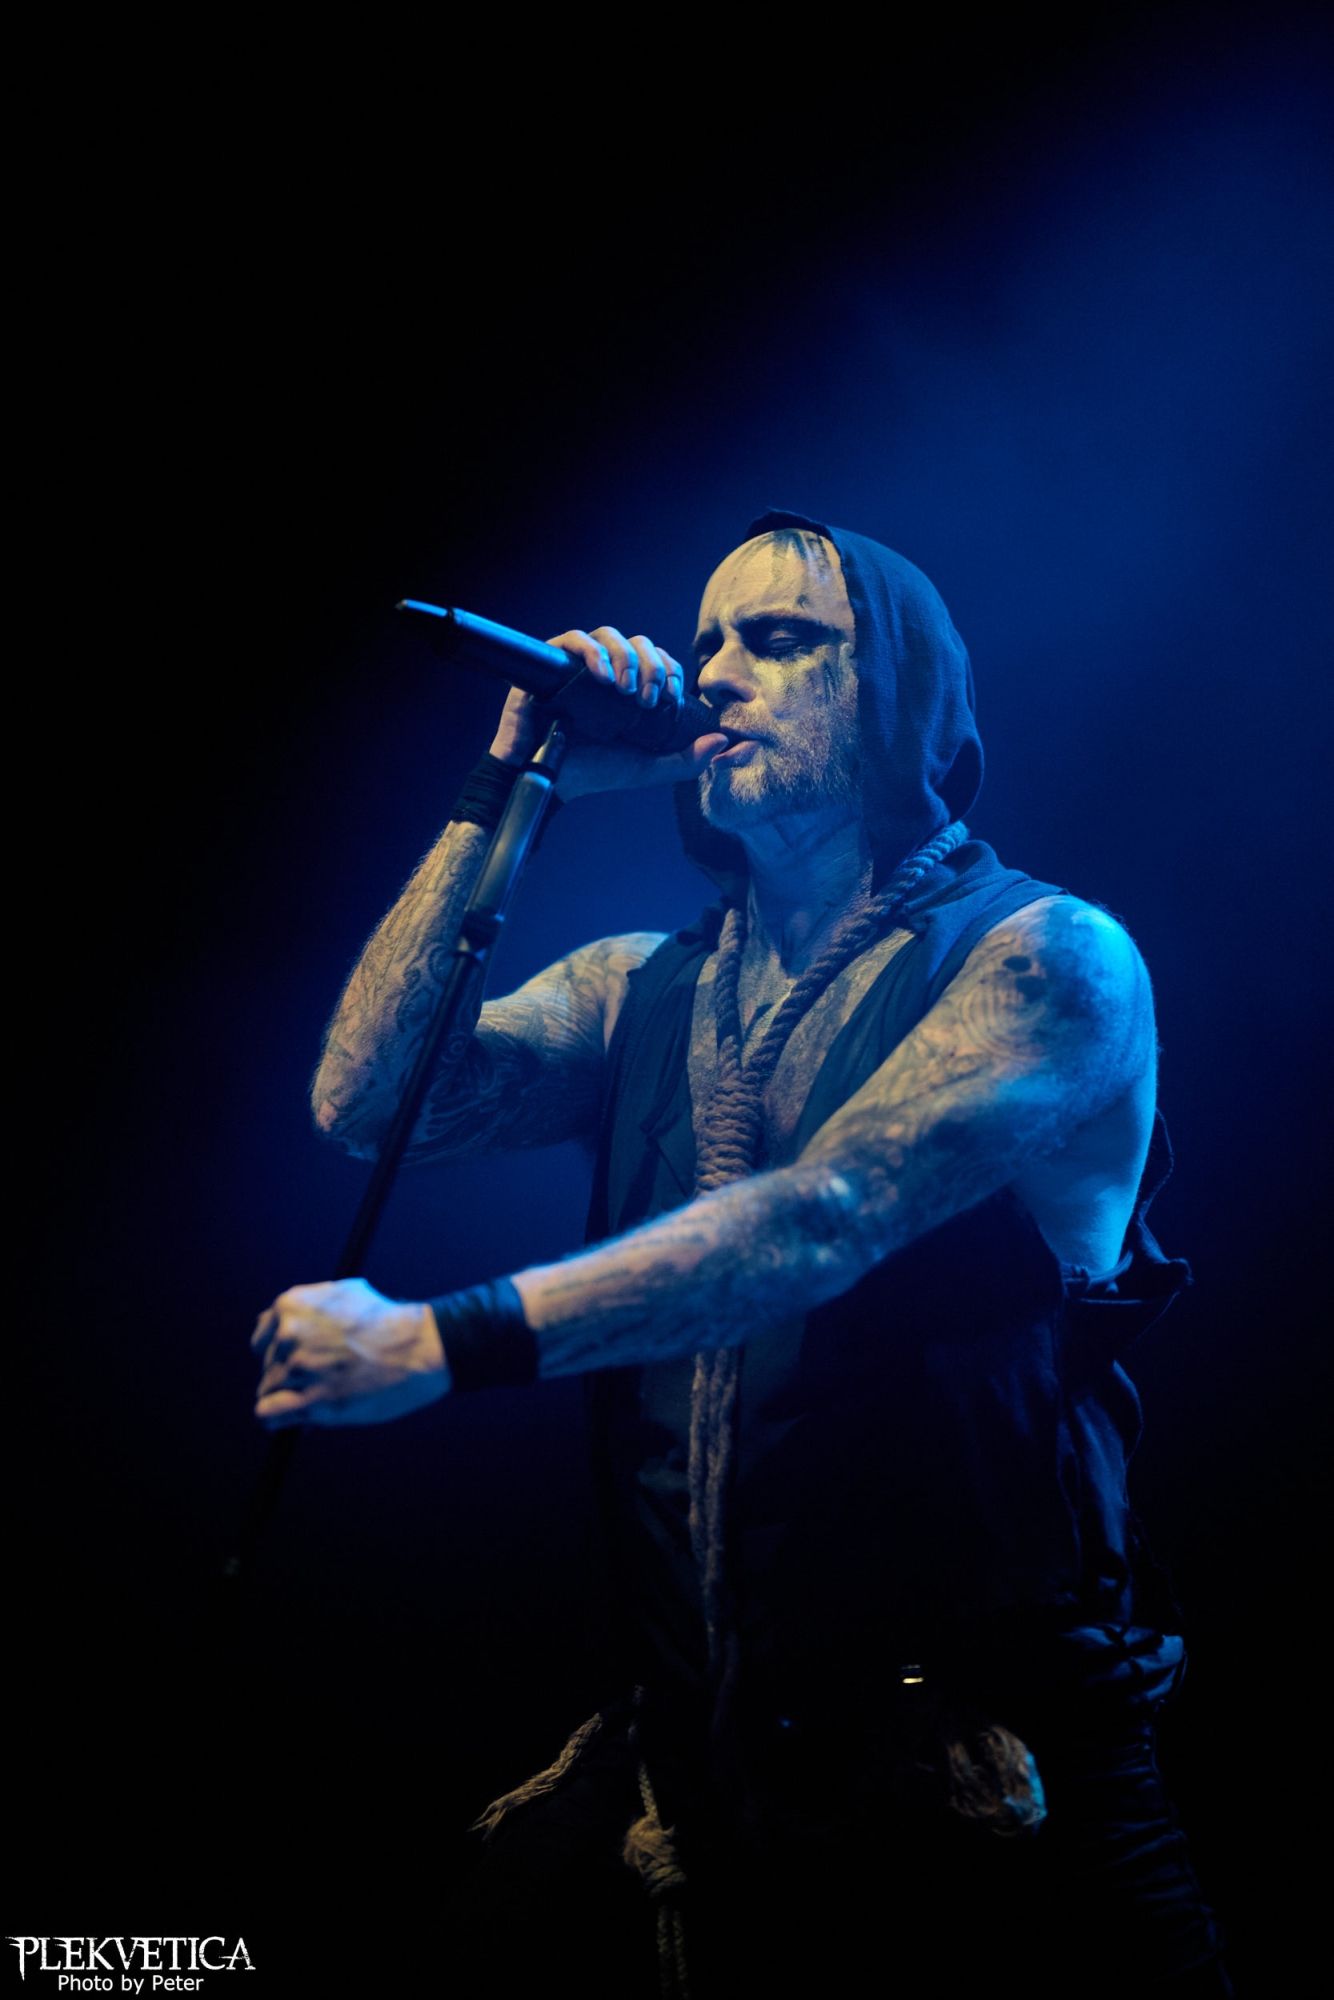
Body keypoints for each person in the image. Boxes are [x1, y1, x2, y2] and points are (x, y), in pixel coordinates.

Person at [252, 512, 1232, 1995]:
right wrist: (514, 784)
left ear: (899, 700)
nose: (712, 674)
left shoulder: (1045, 958)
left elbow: (826, 1214)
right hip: (723, 1771)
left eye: (780, 641)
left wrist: (446, 1339)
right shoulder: (644, 985)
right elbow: (368, 1103)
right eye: (705, 639)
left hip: (993, 1792)